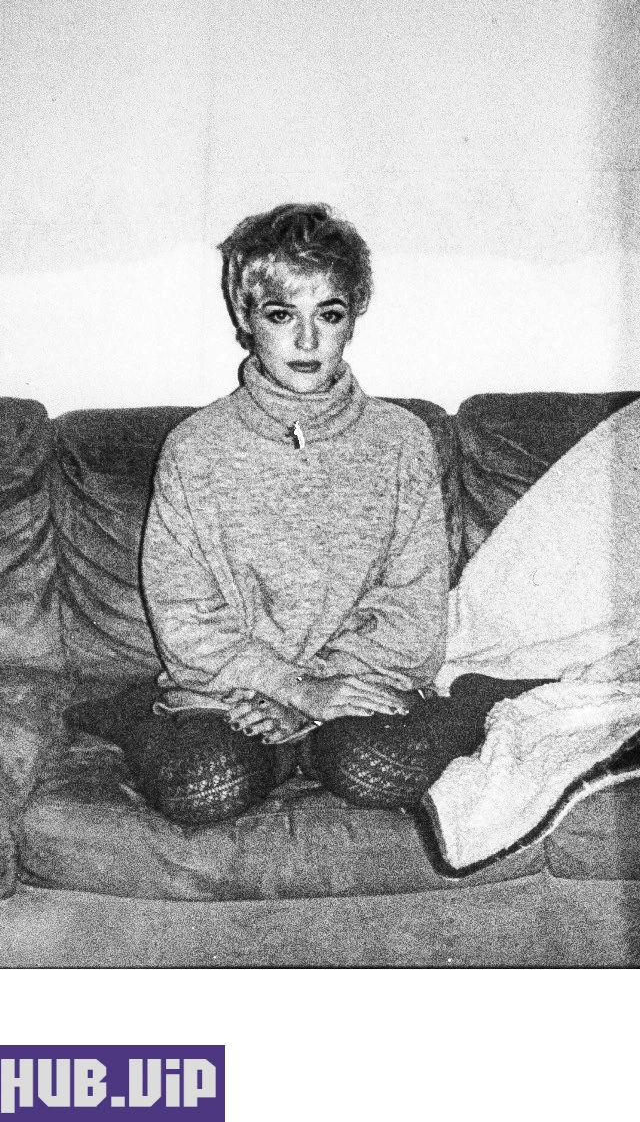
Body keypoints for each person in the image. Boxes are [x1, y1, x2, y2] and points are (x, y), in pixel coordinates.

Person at [67, 202, 538, 825]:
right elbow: (184, 615)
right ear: (245, 317)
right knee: (205, 788)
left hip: (355, 686)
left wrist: (312, 700)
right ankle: (143, 716)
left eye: (329, 314)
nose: (308, 341)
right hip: (230, 696)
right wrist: (294, 687)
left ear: (353, 319)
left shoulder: (401, 440)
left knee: (382, 770)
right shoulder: (195, 449)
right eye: (282, 314)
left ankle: (310, 746)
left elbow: (413, 604)